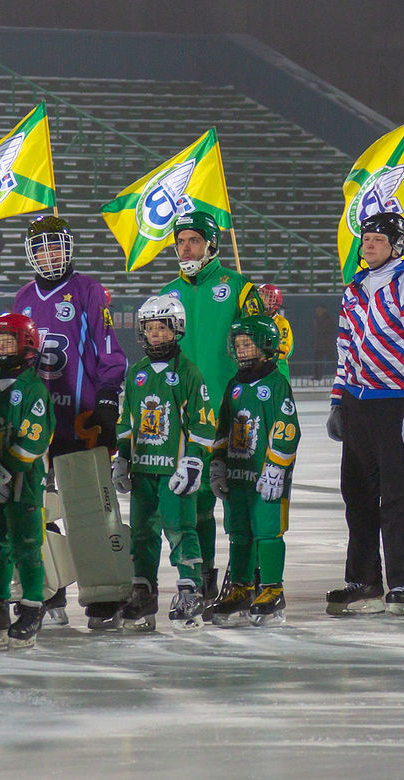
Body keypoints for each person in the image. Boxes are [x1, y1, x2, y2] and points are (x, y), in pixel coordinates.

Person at [325, 212, 404, 617]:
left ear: (397, 246)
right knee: (357, 496)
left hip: (396, 403)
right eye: (366, 239)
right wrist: (337, 400)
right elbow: (344, 349)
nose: (369, 245)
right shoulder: (353, 290)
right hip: (358, 403)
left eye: (377, 239)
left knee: (398, 497)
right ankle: (364, 580)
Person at [12, 214, 127, 627]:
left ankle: (105, 592)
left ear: (69, 248)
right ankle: (48, 590)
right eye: (41, 248)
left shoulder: (87, 290)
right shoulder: (23, 297)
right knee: (37, 510)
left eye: (55, 246)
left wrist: (108, 397)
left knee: (90, 509)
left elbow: (107, 347)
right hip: (36, 421)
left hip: (79, 417)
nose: (49, 255)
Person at [157, 210, 263, 607]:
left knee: (241, 502)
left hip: (235, 414)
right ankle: (203, 580)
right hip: (190, 418)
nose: (186, 248)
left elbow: (263, 348)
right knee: (195, 503)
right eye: (181, 241)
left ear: (212, 244)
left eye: (194, 241)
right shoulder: (167, 295)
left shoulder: (240, 288)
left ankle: (247, 578)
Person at [111, 296, 215, 632]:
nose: (155, 334)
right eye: (150, 328)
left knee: (180, 529)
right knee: (142, 534)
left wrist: (193, 461)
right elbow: (126, 421)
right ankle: (144, 593)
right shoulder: (138, 372)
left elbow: (203, 422)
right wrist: (122, 457)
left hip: (174, 472)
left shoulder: (188, 372)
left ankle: (190, 592)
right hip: (143, 471)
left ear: (177, 330)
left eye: (162, 327)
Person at [0, 313, 55, 650]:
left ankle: (32, 607)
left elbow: (34, 439)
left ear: (27, 344)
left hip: (24, 482)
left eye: (7, 342)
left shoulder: (34, 389)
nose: (1, 349)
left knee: (26, 543)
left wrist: (2, 472)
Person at [207, 315, 299, 626]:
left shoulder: (276, 384)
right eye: (238, 345)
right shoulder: (234, 385)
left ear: (266, 346)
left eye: (248, 344)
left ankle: (272, 589)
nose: (241, 350)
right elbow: (223, 429)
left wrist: (276, 467)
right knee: (239, 533)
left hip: (266, 478)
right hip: (238, 477)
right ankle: (241, 588)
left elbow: (287, 429)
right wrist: (218, 463)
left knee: (267, 531)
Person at [259, 283, 293, 380]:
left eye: (265, 297)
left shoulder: (282, 323)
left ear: (274, 301)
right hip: (257, 373)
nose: (260, 299)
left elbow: (284, 350)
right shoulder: (253, 320)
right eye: (259, 296)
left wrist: (260, 353)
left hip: (277, 372)